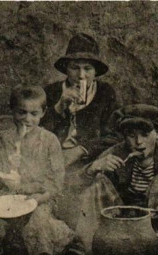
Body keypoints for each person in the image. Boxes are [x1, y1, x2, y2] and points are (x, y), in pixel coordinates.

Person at [0, 85, 77, 255]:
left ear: (43, 113)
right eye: (21, 112)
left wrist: (38, 197)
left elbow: (55, 182)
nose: (27, 119)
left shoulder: (49, 141)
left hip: (40, 195)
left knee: (38, 219)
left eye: (33, 114)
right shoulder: (3, 140)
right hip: (9, 194)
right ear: (12, 111)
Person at [79, 104, 158, 249]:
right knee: (99, 181)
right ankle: (93, 246)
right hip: (121, 220)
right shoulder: (115, 154)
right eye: (131, 135)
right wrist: (93, 168)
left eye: (145, 134)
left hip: (154, 226)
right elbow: (74, 188)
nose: (138, 142)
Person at [42, 33, 120, 168]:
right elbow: (35, 130)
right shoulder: (51, 91)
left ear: (95, 72)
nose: (81, 76)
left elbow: (115, 135)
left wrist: (81, 150)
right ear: (66, 69)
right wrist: (58, 108)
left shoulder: (105, 93)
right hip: (52, 160)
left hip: (90, 160)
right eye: (74, 68)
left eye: (87, 69)